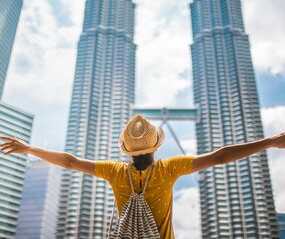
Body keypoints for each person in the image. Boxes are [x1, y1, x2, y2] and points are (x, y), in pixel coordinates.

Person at [0, 114, 284, 239]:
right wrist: (270, 141)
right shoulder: (169, 168)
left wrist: (30, 149)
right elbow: (220, 156)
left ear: (126, 149)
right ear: (156, 145)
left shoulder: (114, 172)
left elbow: (71, 162)